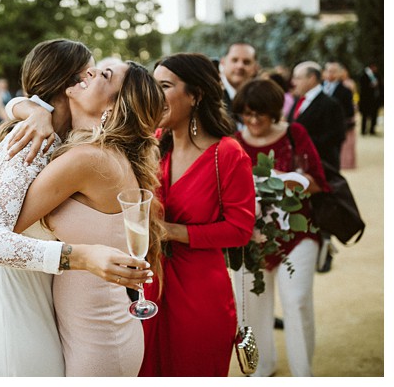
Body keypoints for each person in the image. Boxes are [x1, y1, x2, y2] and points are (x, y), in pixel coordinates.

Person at [0, 42, 151, 376]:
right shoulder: (32, 138)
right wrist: (78, 257)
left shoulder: (68, 142)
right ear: (71, 85)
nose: (92, 76)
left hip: (46, 295)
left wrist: (28, 108)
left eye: (99, 74)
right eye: (91, 71)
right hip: (16, 295)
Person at [138, 53, 255, 376]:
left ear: (196, 95)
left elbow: (240, 230)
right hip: (150, 289)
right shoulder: (154, 144)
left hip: (200, 294)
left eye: (164, 86)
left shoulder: (229, 154)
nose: (153, 95)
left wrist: (174, 232)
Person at [232, 78, 329, 377]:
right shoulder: (233, 142)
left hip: (297, 235)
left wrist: (282, 180)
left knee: (296, 302)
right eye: (246, 113)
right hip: (249, 239)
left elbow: (318, 183)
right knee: (252, 309)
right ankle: (263, 369)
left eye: (259, 112)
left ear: (274, 111)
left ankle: (303, 374)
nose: (252, 119)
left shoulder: (294, 134)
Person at [287, 60, 346, 173]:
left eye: (298, 78)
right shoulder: (298, 100)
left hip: (321, 168)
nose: (294, 82)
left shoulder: (331, 104)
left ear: (312, 78)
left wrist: (303, 144)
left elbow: (335, 137)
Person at [358, 63, 381, 136]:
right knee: (365, 115)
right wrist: (370, 86)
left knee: (374, 115)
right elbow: (362, 87)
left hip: (374, 99)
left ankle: (372, 130)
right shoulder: (364, 75)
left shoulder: (376, 75)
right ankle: (363, 130)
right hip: (366, 99)